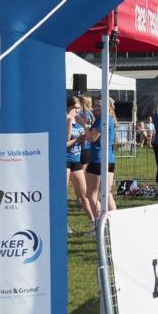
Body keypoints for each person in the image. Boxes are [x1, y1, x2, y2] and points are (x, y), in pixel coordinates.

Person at [85, 97, 117, 223]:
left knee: (91, 194)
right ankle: (115, 223)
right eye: (95, 105)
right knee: (107, 193)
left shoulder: (102, 119)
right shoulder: (109, 119)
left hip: (98, 159)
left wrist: (84, 125)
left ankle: (99, 224)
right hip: (109, 159)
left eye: (99, 106)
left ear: (106, 107)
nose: (96, 108)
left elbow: (92, 138)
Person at [65, 96, 92, 226]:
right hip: (64, 161)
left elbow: (84, 142)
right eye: (75, 108)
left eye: (78, 108)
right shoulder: (65, 120)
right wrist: (69, 121)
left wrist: (83, 137)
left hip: (76, 161)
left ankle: (94, 222)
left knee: (84, 195)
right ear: (69, 108)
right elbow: (65, 142)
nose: (77, 111)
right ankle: (65, 224)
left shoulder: (79, 121)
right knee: (62, 196)